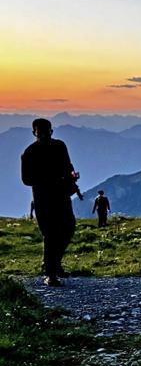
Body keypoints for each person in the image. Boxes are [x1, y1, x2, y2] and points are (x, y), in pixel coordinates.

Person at [21, 119, 78, 286]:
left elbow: (68, 167)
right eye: (42, 131)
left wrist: (70, 180)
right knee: (52, 233)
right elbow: (26, 179)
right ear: (35, 133)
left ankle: (53, 265)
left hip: (57, 196)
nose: (45, 134)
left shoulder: (59, 147)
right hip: (44, 198)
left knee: (67, 228)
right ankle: (51, 272)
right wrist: (54, 179)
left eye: (46, 131)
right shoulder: (30, 153)